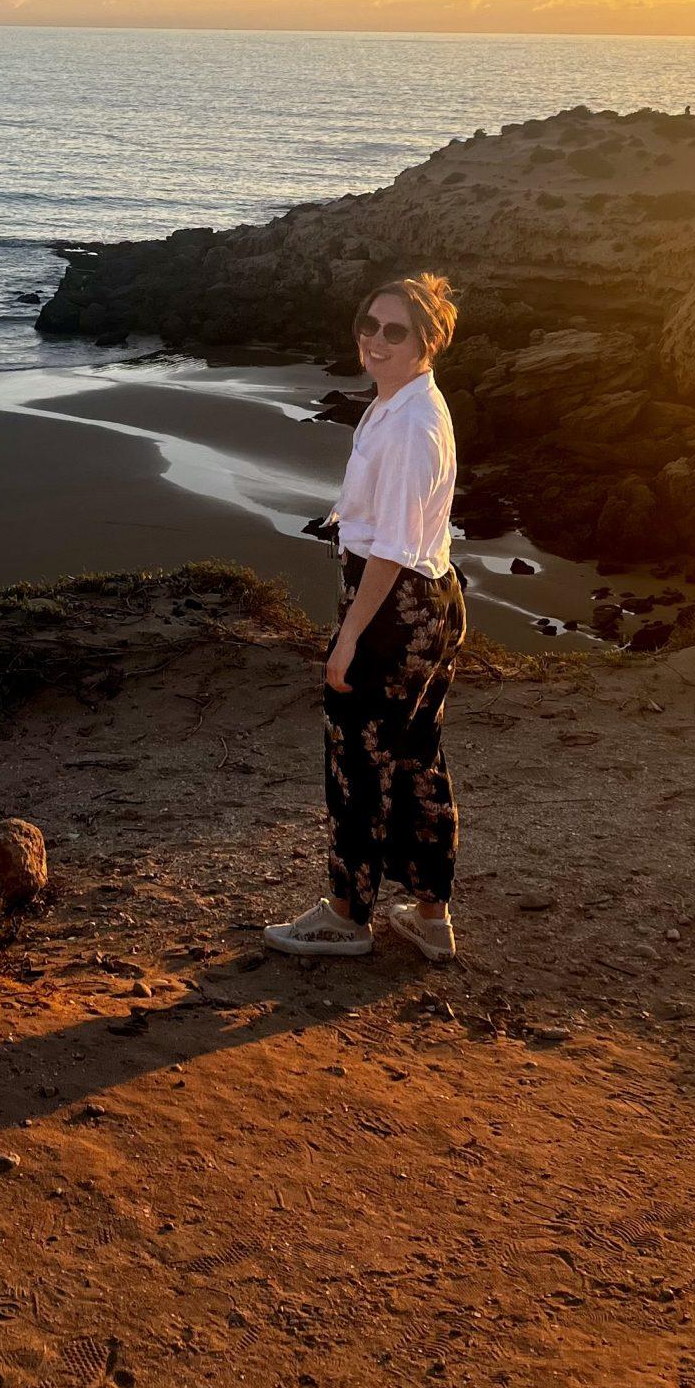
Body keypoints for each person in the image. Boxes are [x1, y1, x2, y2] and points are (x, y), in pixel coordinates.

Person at [264, 270, 467, 963]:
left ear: (427, 341)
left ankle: (347, 918)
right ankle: (430, 917)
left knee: (357, 761)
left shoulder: (411, 424)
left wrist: (348, 636)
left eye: (395, 331)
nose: (376, 340)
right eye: (368, 326)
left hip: (394, 608)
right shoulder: (402, 400)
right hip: (424, 600)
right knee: (413, 758)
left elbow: (394, 551)